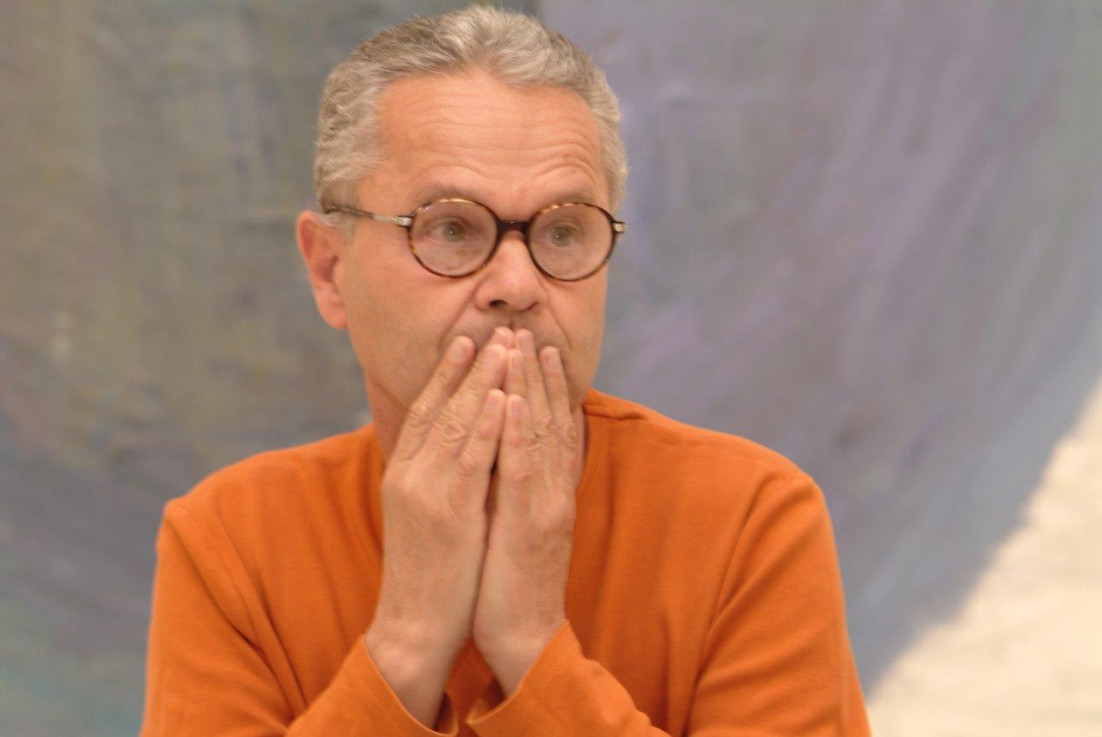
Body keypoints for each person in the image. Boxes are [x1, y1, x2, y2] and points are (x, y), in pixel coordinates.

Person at [140, 6, 871, 736]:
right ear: (330, 270)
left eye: (563, 231)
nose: (517, 284)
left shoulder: (749, 521)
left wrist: (530, 642)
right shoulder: (229, 542)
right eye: (451, 227)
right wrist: (408, 639)